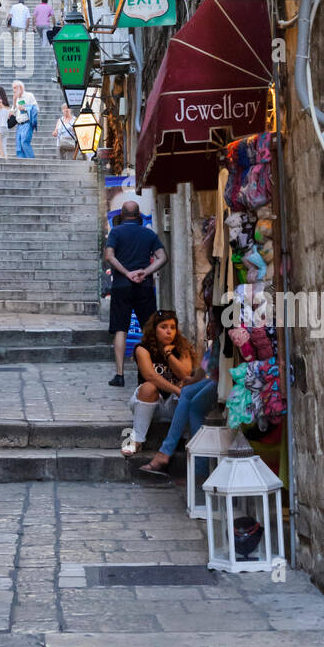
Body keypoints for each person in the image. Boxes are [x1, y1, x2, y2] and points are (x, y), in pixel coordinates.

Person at [104, 201, 168, 387]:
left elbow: (109, 256)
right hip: (144, 285)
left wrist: (126, 273)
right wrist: (145, 272)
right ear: (139, 214)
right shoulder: (148, 234)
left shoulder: (116, 233)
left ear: (122, 215)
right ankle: (151, 371)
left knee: (120, 329)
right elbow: (163, 257)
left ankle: (120, 374)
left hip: (122, 285)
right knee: (148, 329)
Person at [139, 333, 220, 475]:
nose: (209, 326)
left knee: (195, 406)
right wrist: (193, 380)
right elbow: (208, 361)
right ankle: (167, 452)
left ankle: (197, 467)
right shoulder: (221, 333)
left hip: (229, 380)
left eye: (212, 321)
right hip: (216, 379)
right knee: (187, 392)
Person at [120, 310, 195, 456]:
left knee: (187, 386)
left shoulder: (182, 348)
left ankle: (187, 438)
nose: (169, 332)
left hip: (174, 404)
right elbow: (150, 375)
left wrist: (169, 355)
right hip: (150, 403)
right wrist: (176, 389)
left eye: (172, 327)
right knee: (149, 387)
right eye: (164, 327)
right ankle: (137, 440)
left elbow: (185, 374)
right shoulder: (142, 349)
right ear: (154, 329)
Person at [10, 79, 38, 158]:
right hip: (19, 125)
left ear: (21, 88)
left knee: (24, 142)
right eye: (13, 88)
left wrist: (25, 108)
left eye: (15, 88)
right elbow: (14, 111)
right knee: (19, 146)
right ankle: (21, 162)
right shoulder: (17, 98)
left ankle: (31, 161)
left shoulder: (29, 96)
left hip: (27, 123)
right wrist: (14, 102)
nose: (14, 90)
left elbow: (36, 108)